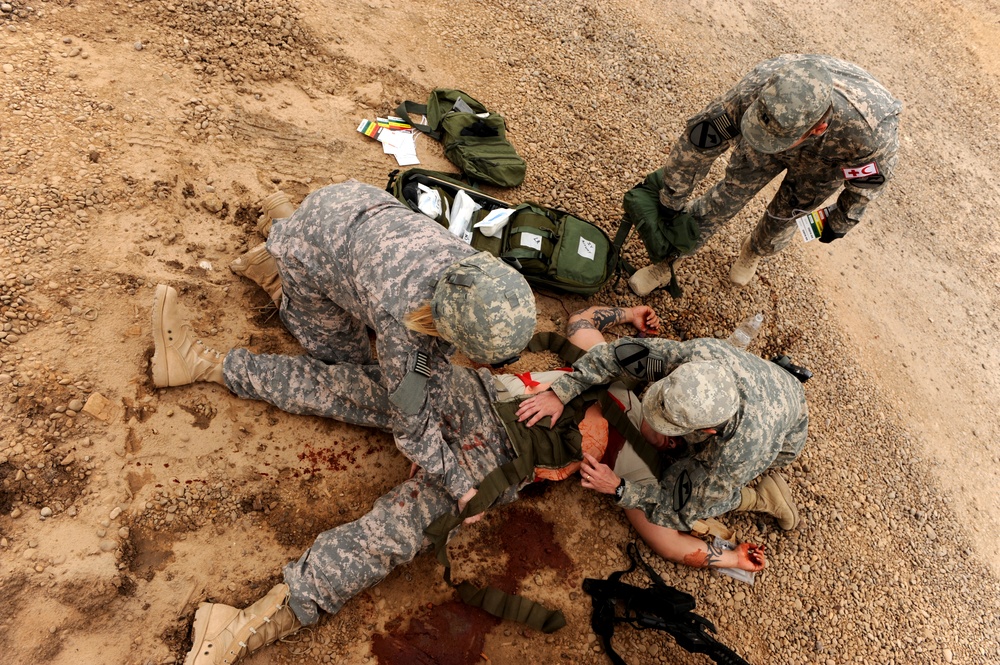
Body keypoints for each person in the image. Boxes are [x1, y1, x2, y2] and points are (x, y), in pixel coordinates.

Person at [155, 297, 767, 665]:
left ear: (698, 441)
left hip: (492, 462)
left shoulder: (642, 474)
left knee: (391, 533)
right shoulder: (637, 374)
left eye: (669, 430)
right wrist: (622, 315)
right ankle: (205, 364)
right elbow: (583, 324)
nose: (656, 423)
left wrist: (725, 557)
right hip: (473, 393)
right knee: (351, 386)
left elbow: (666, 539)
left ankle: (247, 627)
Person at [152, 179, 536, 518]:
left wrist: (430, 425)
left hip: (350, 202)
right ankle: (274, 269)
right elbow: (410, 424)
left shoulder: (475, 273)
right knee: (349, 365)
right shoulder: (402, 320)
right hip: (317, 245)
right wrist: (456, 481)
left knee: (368, 330)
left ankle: (284, 222)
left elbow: (431, 364)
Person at [515, 329, 809, 562]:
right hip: (769, 382)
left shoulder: (739, 451)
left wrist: (619, 488)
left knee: (703, 496)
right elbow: (618, 354)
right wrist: (563, 390)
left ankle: (760, 498)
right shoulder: (699, 357)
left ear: (706, 431)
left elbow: (680, 509)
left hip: (784, 431)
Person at [629, 53, 902, 295]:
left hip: (826, 163)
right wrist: (672, 199)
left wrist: (840, 223)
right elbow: (698, 143)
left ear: (817, 129)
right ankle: (671, 257)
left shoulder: (870, 134)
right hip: (771, 135)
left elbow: (863, 190)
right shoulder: (764, 84)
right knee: (728, 194)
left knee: (787, 216)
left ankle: (755, 250)